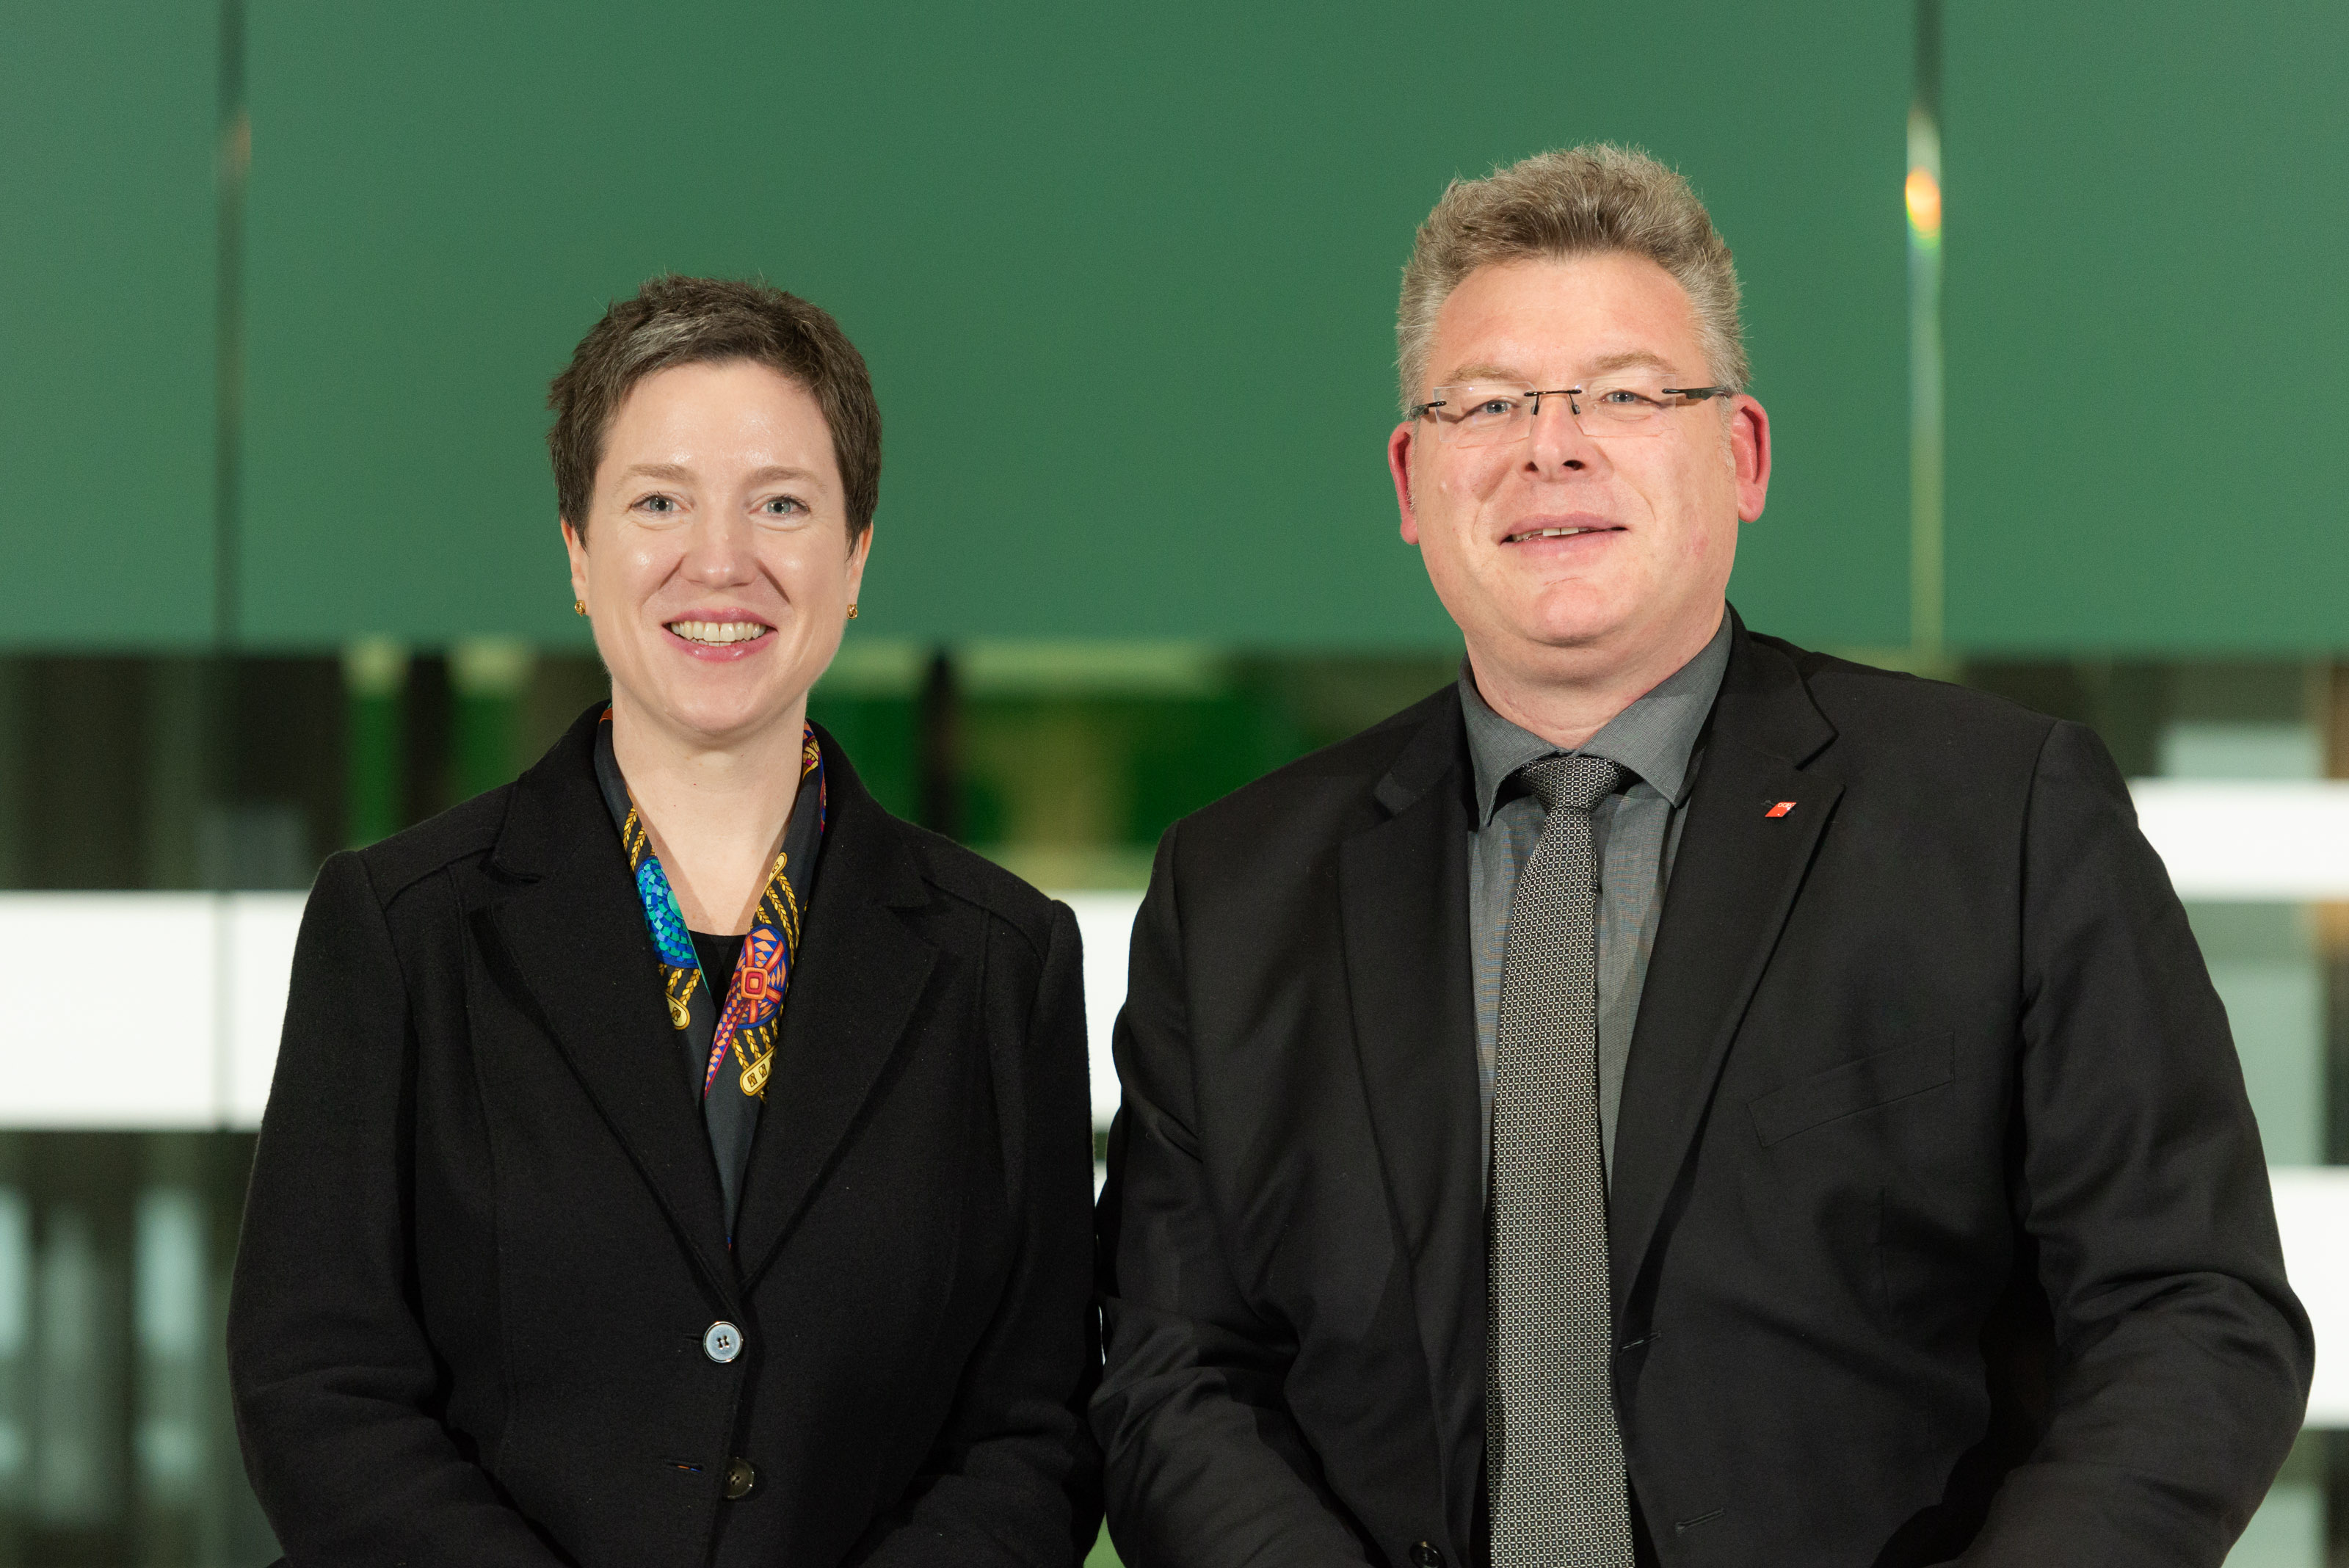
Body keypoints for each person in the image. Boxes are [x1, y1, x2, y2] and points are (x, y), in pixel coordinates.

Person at [1092, 146, 2311, 1567]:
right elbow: (1174, 1375)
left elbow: (2194, 1313)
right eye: (1490, 404)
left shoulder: (2003, 816)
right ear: (1414, 480)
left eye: (1623, 393)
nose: (1553, 446)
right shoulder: (1236, 889)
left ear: (1741, 455)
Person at [230, 275, 1100, 1567]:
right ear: (578, 551)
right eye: (659, 502)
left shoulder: (1002, 961)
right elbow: (319, 1391)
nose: (721, 561)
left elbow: (1039, 1429)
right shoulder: (402, 930)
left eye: (783, 506)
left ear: (857, 555)